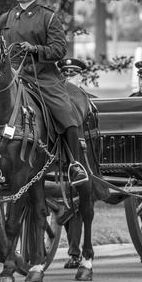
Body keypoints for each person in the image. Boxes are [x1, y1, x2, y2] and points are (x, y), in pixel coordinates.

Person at [0, 0, 87, 186]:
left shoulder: (48, 17)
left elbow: (59, 50)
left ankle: (75, 165)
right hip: (12, 77)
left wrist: (36, 50)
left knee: (64, 112)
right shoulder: (5, 17)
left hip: (42, 77)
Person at [58, 57, 90, 267]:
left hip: (83, 159)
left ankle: (75, 252)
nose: (69, 78)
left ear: (81, 77)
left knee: (78, 205)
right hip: (61, 158)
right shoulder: (58, 100)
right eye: (66, 74)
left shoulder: (88, 103)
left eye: (73, 74)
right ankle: (74, 252)